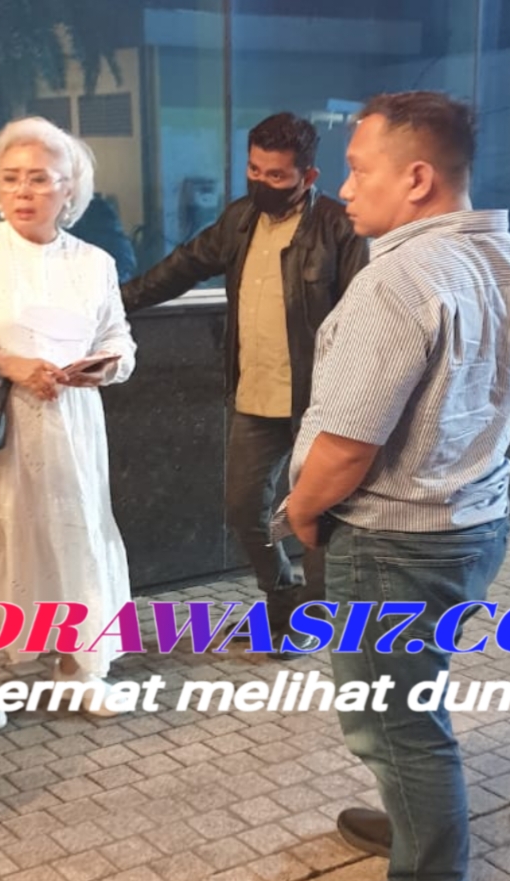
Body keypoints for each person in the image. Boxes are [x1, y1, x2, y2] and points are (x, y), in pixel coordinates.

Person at [283, 92, 510, 881]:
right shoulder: (509, 257)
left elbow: (349, 444)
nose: (345, 190)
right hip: (473, 521)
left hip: (395, 541)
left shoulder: (397, 279)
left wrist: (300, 511)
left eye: (359, 170)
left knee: (393, 722)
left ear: (418, 178)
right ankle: (416, 826)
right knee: (410, 699)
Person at [0, 116, 136, 731]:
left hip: (71, 423)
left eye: (39, 178)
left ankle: (78, 666)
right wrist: (8, 362)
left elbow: (118, 336)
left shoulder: (94, 262)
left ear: (70, 188)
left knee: (72, 534)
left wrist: (104, 367)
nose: (23, 191)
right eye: (10, 178)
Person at [122, 112, 366, 657]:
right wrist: (116, 302)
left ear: (308, 175)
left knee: (318, 516)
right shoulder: (240, 219)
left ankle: (310, 622)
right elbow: (183, 266)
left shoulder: (339, 227)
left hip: (319, 402)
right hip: (255, 395)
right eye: (255, 170)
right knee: (243, 508)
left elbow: (360, 320)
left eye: (276, 175)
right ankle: (282, 600)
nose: (262, 183)